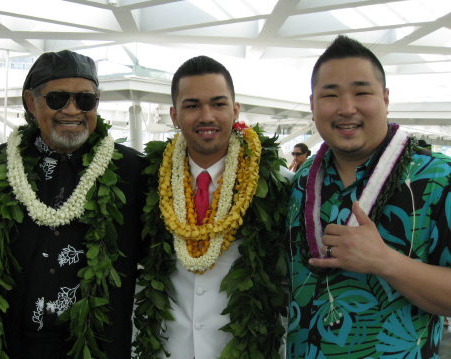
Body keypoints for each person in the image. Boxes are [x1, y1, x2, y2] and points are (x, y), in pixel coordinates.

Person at [0, 50, 146, 359]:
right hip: (7, 347)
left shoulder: (133, 173)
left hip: (98, 350)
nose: (72, 109)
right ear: (30, 102)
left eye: (85, 100)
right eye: (57, 99)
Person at [286, 35, 451, 358]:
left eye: (362, 92)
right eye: (330, 95)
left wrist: (385, 261)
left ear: (386, 98)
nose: (347, 108)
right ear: (312, 104)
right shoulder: (303, 181)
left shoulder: (439, 178)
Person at [133, 56, 290, 359]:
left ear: (236, 109)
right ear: (174, 115)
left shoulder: (278, 185)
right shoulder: (149, 182)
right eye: (192, 106)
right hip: (167, 349)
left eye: (218, 104)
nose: (207, 116)